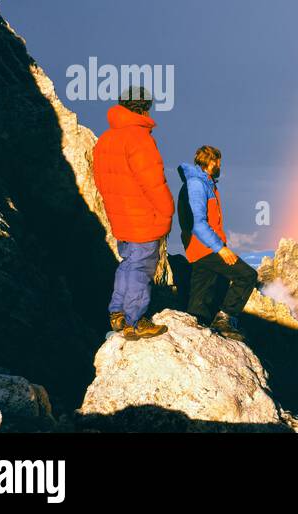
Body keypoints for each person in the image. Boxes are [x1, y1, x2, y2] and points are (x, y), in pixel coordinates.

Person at [92, 87, 173, 340]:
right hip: (142, 219)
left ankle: (117, 312)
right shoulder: (139, 138)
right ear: (145, 108)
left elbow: (101, 181)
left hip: (120, 217)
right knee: (141, 267)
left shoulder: (106, 139)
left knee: (127, 264)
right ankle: (135, 320)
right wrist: (167, 211)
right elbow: (153, 182)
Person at [178, 145, 256, 340]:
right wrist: (220, 249)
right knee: (247, 276)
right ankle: (225, 319)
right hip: (205, 248)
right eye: (218, 161)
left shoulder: (206, 182)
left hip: (200, 249)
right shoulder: (197, 184)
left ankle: (195, 333)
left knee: (199, 302)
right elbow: (199, 224)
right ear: (209, 162)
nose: (220, 165)